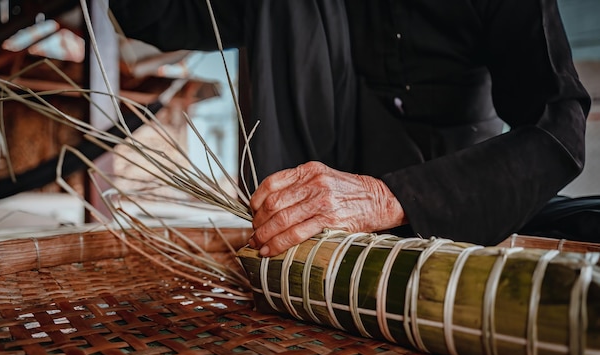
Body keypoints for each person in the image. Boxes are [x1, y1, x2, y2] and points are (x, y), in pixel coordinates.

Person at [110, 0, 590, 257]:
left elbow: (558, 129)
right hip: (316, 219)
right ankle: (294, 263)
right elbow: (158, 14)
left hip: (452, 204)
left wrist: (388, 198)